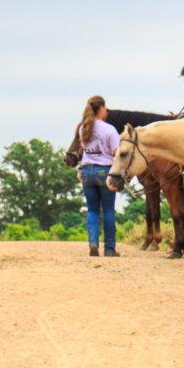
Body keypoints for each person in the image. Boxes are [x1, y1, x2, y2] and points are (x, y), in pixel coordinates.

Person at [75, 95, 121, 257]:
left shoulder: (83, 128)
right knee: (108, 210)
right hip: (105, 172)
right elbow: (118, 155)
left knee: (92, 210)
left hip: (87, 172)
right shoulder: (110, 129)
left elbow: (83, 151)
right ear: (101, 108)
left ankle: (93, 243)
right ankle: (109, 249)